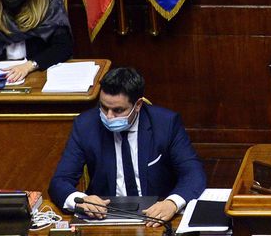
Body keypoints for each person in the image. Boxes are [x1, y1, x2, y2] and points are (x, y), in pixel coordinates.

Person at [49, 66, 205, 227]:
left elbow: (194, 174)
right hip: (103, 217)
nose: (109, 116)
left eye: (118, 110)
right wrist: (79, 200)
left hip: (154, 216)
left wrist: (172, 203)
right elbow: (60, 180)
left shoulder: (165, 123)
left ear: (138, 105)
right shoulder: (85, 125)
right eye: (103, 107)